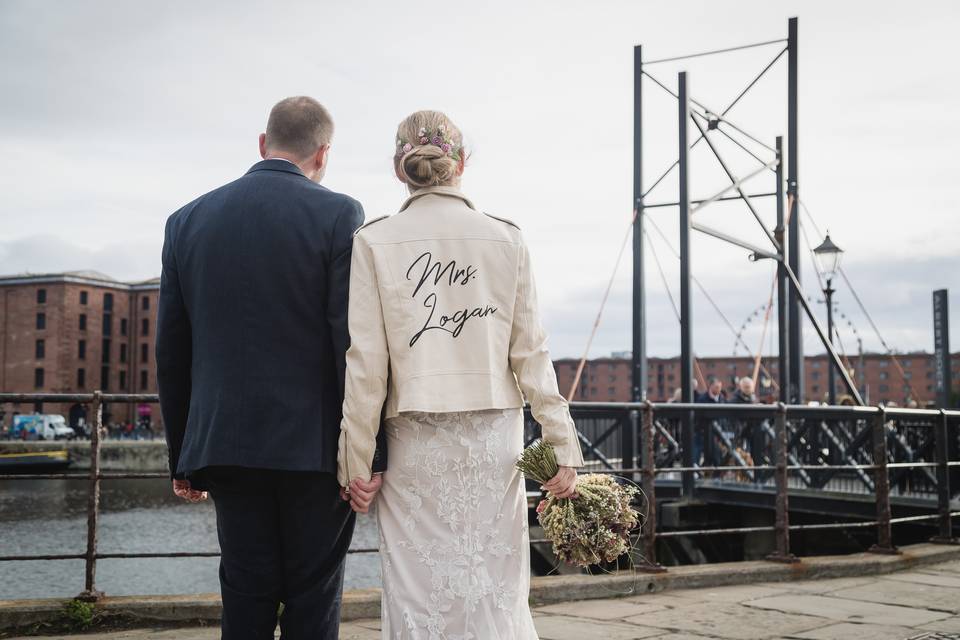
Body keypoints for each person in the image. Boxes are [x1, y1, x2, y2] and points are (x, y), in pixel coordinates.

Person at [337, 110, 584, 639]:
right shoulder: (506, 239)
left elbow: (366, 368)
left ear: (398, 168)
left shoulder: (374, 241)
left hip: (415, 444)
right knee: (494, 589)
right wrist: (562, 442)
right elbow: (532, 356)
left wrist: (356, 460)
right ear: (461, 163)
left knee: (418, 593)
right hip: (494, 441)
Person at [157, 96, 381, 640]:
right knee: (313, 598)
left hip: (226, 445)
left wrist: (182, 456)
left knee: (245, 593)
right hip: (314, 449)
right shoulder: (339, 213)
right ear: (323, 154)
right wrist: (369, 454)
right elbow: (347, 341)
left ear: (263, 142)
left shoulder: (186, 220)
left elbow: (172, 348)